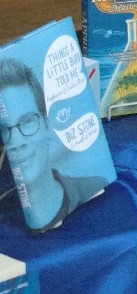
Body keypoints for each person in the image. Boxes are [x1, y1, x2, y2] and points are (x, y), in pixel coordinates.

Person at [0, 58, 107, 233]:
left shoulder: (93, 184)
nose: (17, 142)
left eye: (28, 121)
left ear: (47, 125)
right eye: (4, 129)